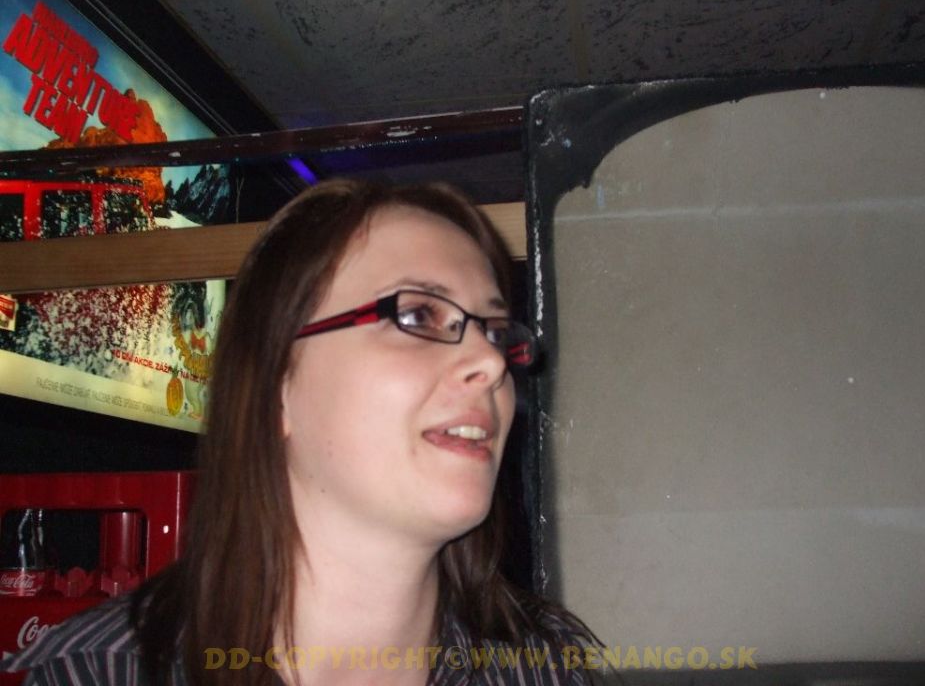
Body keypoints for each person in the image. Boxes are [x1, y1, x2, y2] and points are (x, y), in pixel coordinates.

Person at [1, 179, 599, 685]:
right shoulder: (102, 673)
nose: (491, 363)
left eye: (495, 332)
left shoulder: (547, 668)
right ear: (276, 387)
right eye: (418, 314)